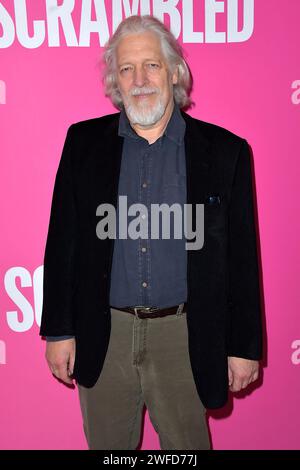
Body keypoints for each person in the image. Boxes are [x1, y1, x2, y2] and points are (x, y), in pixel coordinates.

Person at [40, 15, 263, 450]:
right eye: (127, 69)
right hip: (105, 332)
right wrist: (58, 331)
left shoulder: (225, 153)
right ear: (115, 81)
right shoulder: (82, 145)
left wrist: (244, 345)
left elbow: (241, 258)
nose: (139, 79)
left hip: (184, 335)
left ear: (175, 71)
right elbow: (62, 240)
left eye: (152, 66)